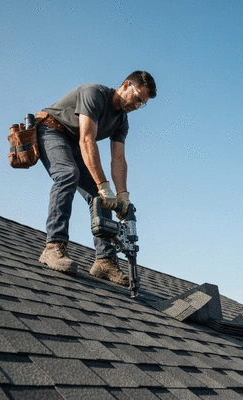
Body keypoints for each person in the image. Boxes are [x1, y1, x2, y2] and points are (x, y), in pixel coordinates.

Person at [36, 71, 157, 286]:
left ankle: (105, 260)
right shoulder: (94, 94)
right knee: (67, 174)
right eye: (137, 98)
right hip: (52, 130)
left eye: (142, 104)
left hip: (73, 142)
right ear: (126, 84)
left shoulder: (122, 121)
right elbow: (86, 139)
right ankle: (53, 246)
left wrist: (122, 196)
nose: (137, 106)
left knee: (98, 197)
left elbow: (118, 159)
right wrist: (104, 185)